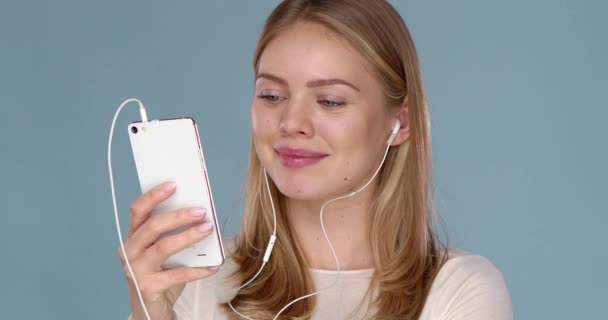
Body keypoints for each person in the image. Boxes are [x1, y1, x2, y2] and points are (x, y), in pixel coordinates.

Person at [121, 0, 512, 319]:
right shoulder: (195, 283)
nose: (291, 123)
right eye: (272, 96)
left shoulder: (459, 292)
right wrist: (149, 314)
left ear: (400, 122)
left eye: (330, 101)